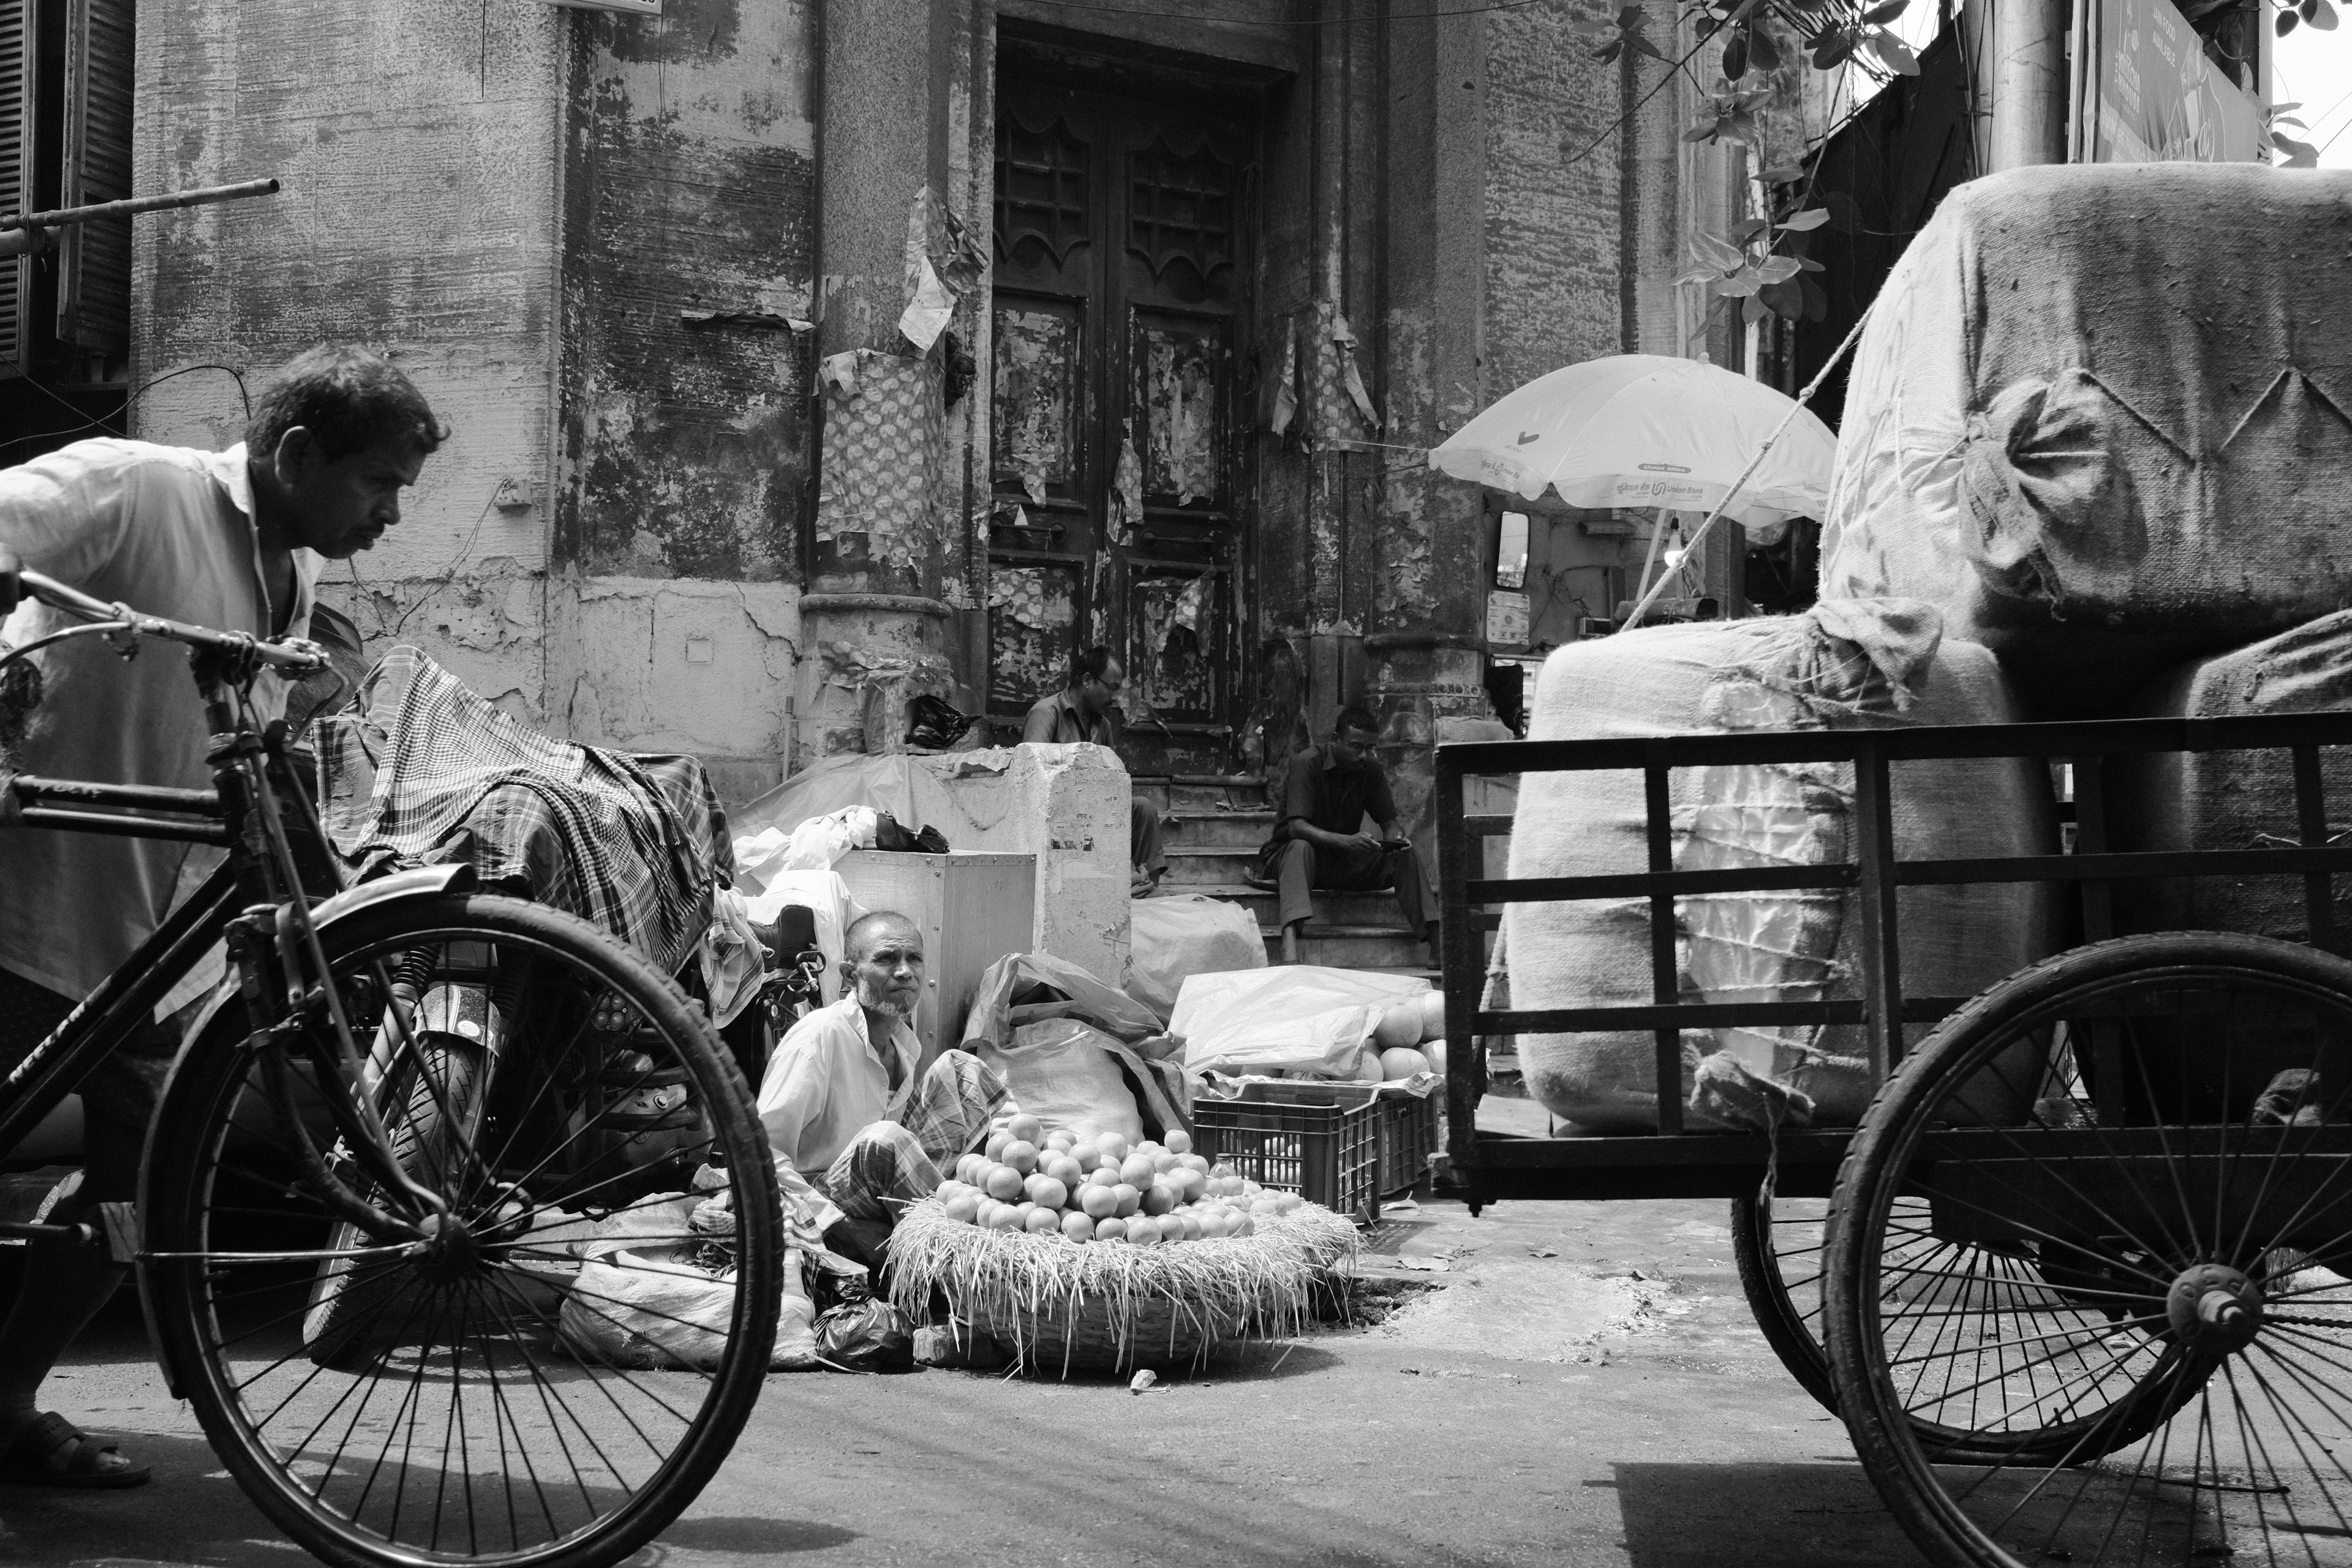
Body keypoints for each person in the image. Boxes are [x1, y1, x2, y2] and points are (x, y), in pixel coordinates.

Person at [0, 344, 441, 1488]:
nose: (392, 514)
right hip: (18, 907)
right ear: (297, 454)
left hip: (135, 947)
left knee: (140, 1188)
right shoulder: (134, 488)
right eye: (380, 484)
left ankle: (0, 1399)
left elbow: (260, 764)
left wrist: (342, 907)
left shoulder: (289, 582)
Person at [755, 910, 1011, 1273]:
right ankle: (962, 1263)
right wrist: (837, 1225)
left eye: (914, 959)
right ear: (849, 975)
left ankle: (993, 1215)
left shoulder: (902, 1044)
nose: (905, 971)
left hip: (880, 1188)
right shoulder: (818, 1038)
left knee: (961, 1067)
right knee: (884, 1138)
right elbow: (761, 1156)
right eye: (887, 959)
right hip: (818, 1200)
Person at [1254, 704, 1435, 964]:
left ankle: (1437, 942)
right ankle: (1290, 946)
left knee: (1404, 855)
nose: (1364, 755)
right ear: (1337, 740)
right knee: (1300, 847)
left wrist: (1396, 839)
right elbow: (1296, 828)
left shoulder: (1369, 769)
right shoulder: (1307, 762)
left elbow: (1390, 822)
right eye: (1356, 746)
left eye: (1369, 748)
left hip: (1341, 863)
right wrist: (1347, 841)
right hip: (1293, 864)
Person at [1020, 647, 1168, 895]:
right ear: (1087, 680)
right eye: (1111, 688)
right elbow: (1032, 781)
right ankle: (1133, 888)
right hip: (1060, 812)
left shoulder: (1104, 725)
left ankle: (1146, 889)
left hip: (1096, 810)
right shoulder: (1047, 713)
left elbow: (1112, 781)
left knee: (1143, 808)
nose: (1115, 698)